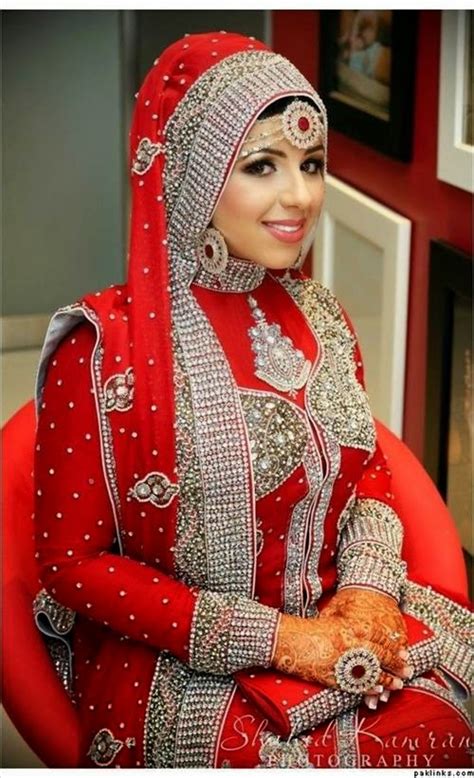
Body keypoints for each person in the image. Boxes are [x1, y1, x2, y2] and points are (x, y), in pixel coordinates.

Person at [33, 31, 471, 769]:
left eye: (312, 163)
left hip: (342, 620)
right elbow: (71, 564)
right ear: (194, 176)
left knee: (450, 721)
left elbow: (367, 470)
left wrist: (367, 594)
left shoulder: (321, 314)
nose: (300, 196)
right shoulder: (103, 348)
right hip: (179, 656)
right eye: (262, 165)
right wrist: (283, 641)